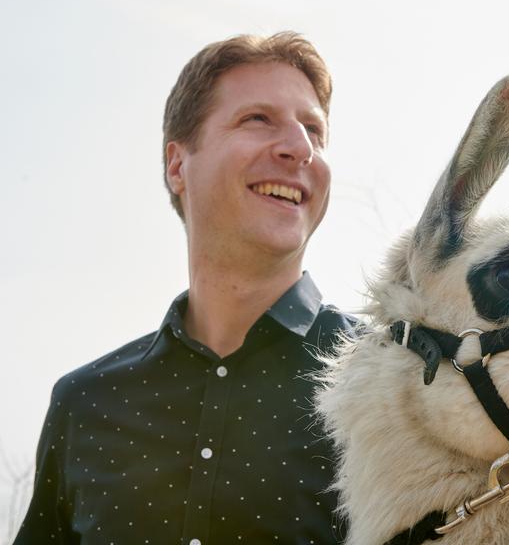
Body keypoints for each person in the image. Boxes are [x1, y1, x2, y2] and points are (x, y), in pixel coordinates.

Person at [14, 32, 354, 544]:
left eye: (314, 129)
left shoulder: (393, 385)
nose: (299, 148)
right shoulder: (84, 404)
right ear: (178, 165)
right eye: (258, 119)